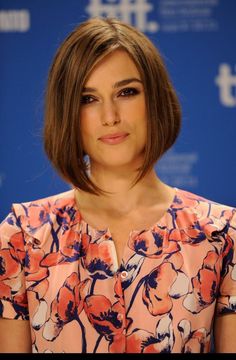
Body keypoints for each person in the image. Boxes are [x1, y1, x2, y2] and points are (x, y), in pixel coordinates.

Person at [0, 17, 235, 354]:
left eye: (126, 92)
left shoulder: (222, 233)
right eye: (88, 98)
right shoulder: (21, 237)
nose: (109, 115)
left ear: (154, 99)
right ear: (68, 112)